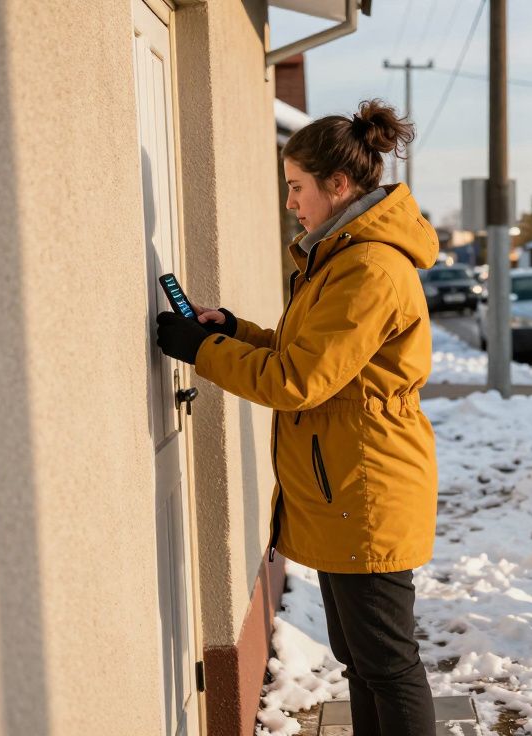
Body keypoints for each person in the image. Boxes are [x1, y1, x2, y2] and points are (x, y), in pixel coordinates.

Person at [155, 99, 438, 734]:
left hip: (368, 489)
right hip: (344, 485)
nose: (291, 202)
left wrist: (203, 352)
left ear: (338, 186)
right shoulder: (338, 258)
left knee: (388, 665)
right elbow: (306, 356)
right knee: (363, 663)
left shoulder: (368, 268)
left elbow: (299, 381)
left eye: (296, 187)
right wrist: (233, 333)